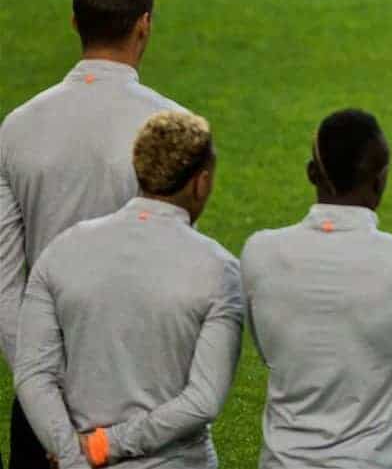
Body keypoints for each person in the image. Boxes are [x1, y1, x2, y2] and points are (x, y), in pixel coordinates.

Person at [0, 0, 183, 468]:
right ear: (144, 25)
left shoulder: (16, 129)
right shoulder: (171, 130)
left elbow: (4, 282)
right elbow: (179, 277)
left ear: (75, 23)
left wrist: (44, 397)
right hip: (140, 399)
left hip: (40, 396)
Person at [14, 110, 242, 468]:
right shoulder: (219, 269)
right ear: (201, 183)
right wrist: (108, 444)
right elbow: (203, 400)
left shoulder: (62, 249)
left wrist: (74, 456)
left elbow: (33, 374)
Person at [241, 109, 392, 469]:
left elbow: (270, 350)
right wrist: (381, 350)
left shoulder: (260, 253)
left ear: (312, 172)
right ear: (380, 182)